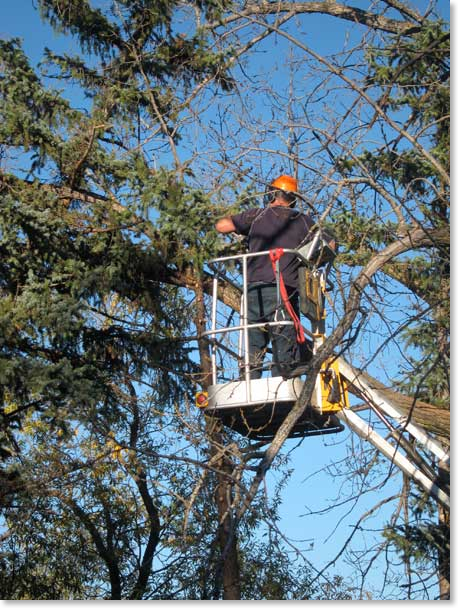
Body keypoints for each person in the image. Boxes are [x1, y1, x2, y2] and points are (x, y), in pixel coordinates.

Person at [215, 174, 314, 379]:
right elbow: (328, 244)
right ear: (293, 199)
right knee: (283, 337)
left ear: (272, 194)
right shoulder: (302, 221)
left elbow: (221, 226)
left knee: (254, 340)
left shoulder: (256, 216)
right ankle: (282, 380)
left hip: (254, 292)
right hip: (283, 291)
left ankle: (250, 377)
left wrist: (241, 224)